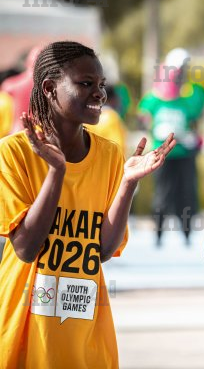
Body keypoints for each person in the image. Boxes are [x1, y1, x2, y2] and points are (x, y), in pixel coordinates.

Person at [0, 41, 175, 368]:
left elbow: (103, 251)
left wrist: (127, 184)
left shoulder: (108, 155)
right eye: (85, 83)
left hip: (84, 329)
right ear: (50, 88)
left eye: (101, 84)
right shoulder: (12, 153)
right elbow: (25, 248)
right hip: (24, 330)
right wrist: (56, 172)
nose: (100, 94)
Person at [139, 48, 204, 247]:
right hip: (163, 155)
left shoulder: (191, 95)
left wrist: (195, 138)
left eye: (183, 71)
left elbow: (197, 121)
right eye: (177, 71)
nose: (180, 76)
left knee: (187, 194)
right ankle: (158, 236)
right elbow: (143, 119)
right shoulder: (154, 97)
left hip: (185, 153)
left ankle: (187, 235)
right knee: (162, 195)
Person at [87, 85, 128, 154]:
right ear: (112, 99)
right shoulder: (112, 117)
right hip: (108, 158)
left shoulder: (89, 116)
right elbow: (118, 146)